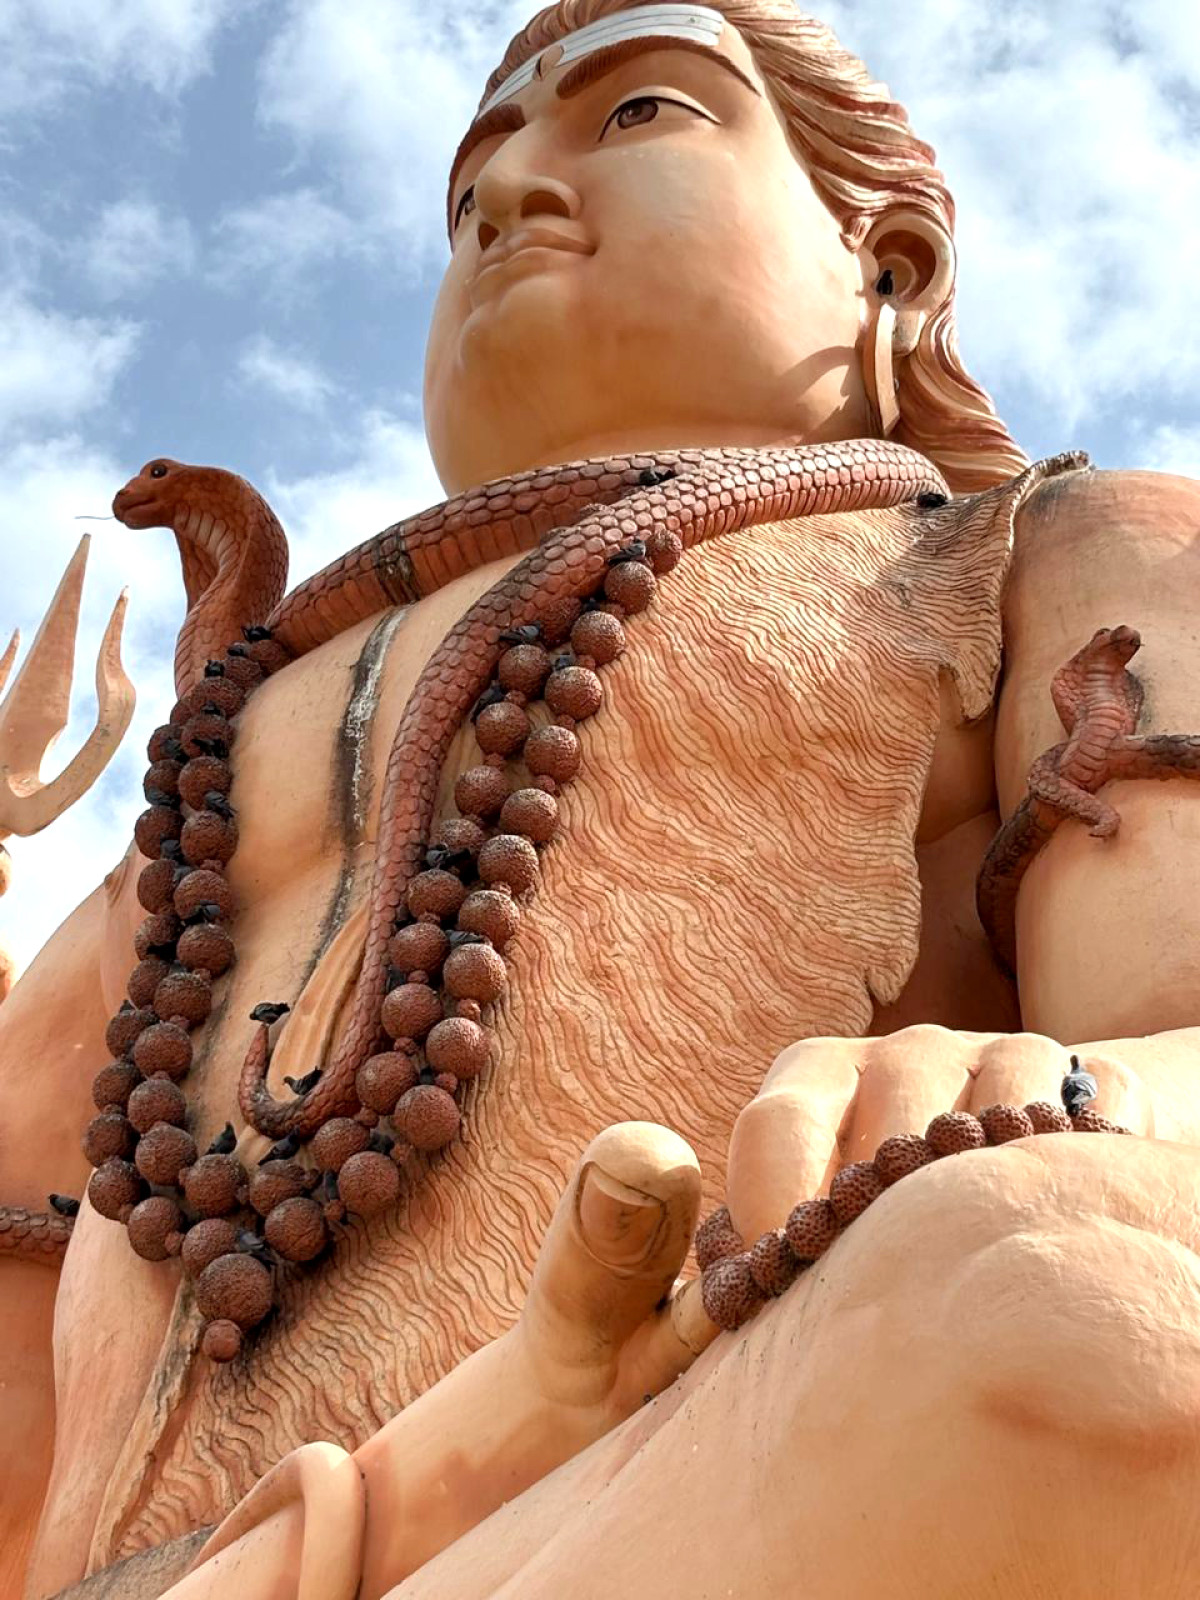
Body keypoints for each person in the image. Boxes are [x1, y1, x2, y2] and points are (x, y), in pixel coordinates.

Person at [12, 4, 1200, 1595]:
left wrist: (1048, 1090)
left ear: (890, 269)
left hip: (663, 1491)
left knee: (1046, 1299)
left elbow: (1175, 1046)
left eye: (638, 113)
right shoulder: (215, 775)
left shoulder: (1046, 551)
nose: (507, 196)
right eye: (465, 187)